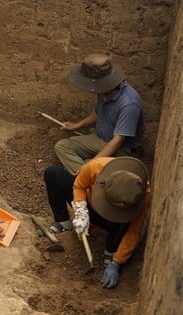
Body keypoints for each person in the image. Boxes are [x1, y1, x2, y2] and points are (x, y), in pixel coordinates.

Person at [43, 156, 150, 289]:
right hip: (90, 205)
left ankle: (111, 251)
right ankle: (63, 222)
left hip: (115, 223)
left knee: (123, 222)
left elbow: (134, 231)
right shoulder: (97, 166)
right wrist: (81, 210)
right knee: (53, 173)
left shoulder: (140, 195)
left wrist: (117, 261)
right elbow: (79, 185)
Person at [54, 53, 144, 175]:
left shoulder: (129, 104)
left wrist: (92, 163)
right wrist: (77, 125)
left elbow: (117, 142)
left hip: (120, 149)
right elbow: (97, 113)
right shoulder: (104, 91)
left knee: (90, 164)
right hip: (100, 138)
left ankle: (87, 177)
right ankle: (87, 173)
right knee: (62, 146)